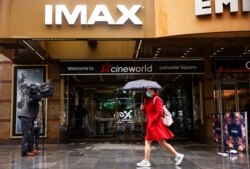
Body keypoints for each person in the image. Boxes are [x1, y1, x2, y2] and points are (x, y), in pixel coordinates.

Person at [137, 88, 184, 167]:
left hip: (155, 124)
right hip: (152, 124)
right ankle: (178, 155)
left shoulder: (157, 99)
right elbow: (149, 112)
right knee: (162, 143)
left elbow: (160, 112)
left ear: (152, 91)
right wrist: (143, 109)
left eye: (148, 90)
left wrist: (152, 120)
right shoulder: (149, 100)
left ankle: (146, 161)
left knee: (148, 142)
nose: (147, 92)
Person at [18, 84, 41, 157]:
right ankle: (25, 151)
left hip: (29, 118)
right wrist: (36, 97)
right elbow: (30, 102)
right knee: (27, 134)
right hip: (26, 117)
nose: (38, 91)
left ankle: (31, 149)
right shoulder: (30, 97)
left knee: (31, 134)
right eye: (37, 89)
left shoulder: (32, 97)